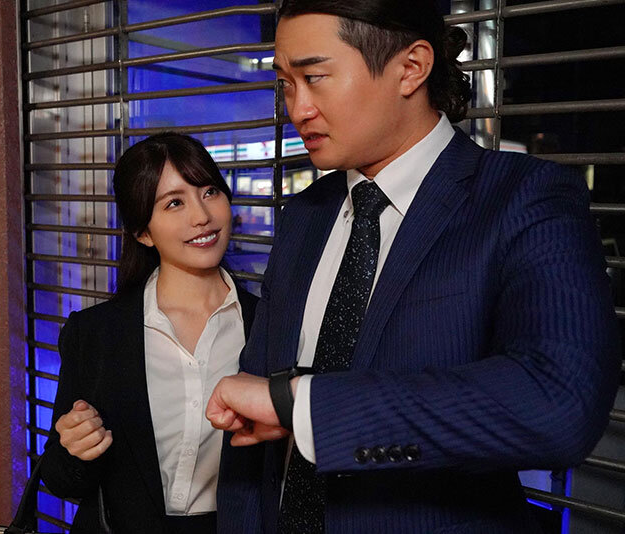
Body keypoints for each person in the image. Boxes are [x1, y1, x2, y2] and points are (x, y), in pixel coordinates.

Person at [207, 1, 621, 533]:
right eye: (286, 84)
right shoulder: (305, 215)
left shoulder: (523, 199)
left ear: (411, 67)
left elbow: (558, 402)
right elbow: (251, 419)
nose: (298, 108)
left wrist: (304, 407)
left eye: (314, 78)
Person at [40, 133, 259, 534]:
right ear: (143, 232)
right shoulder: (96, 333)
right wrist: (75, 450)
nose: (201, 216)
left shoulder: (267, 324)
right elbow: (60, 479)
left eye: (209, 192)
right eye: (174, 202)